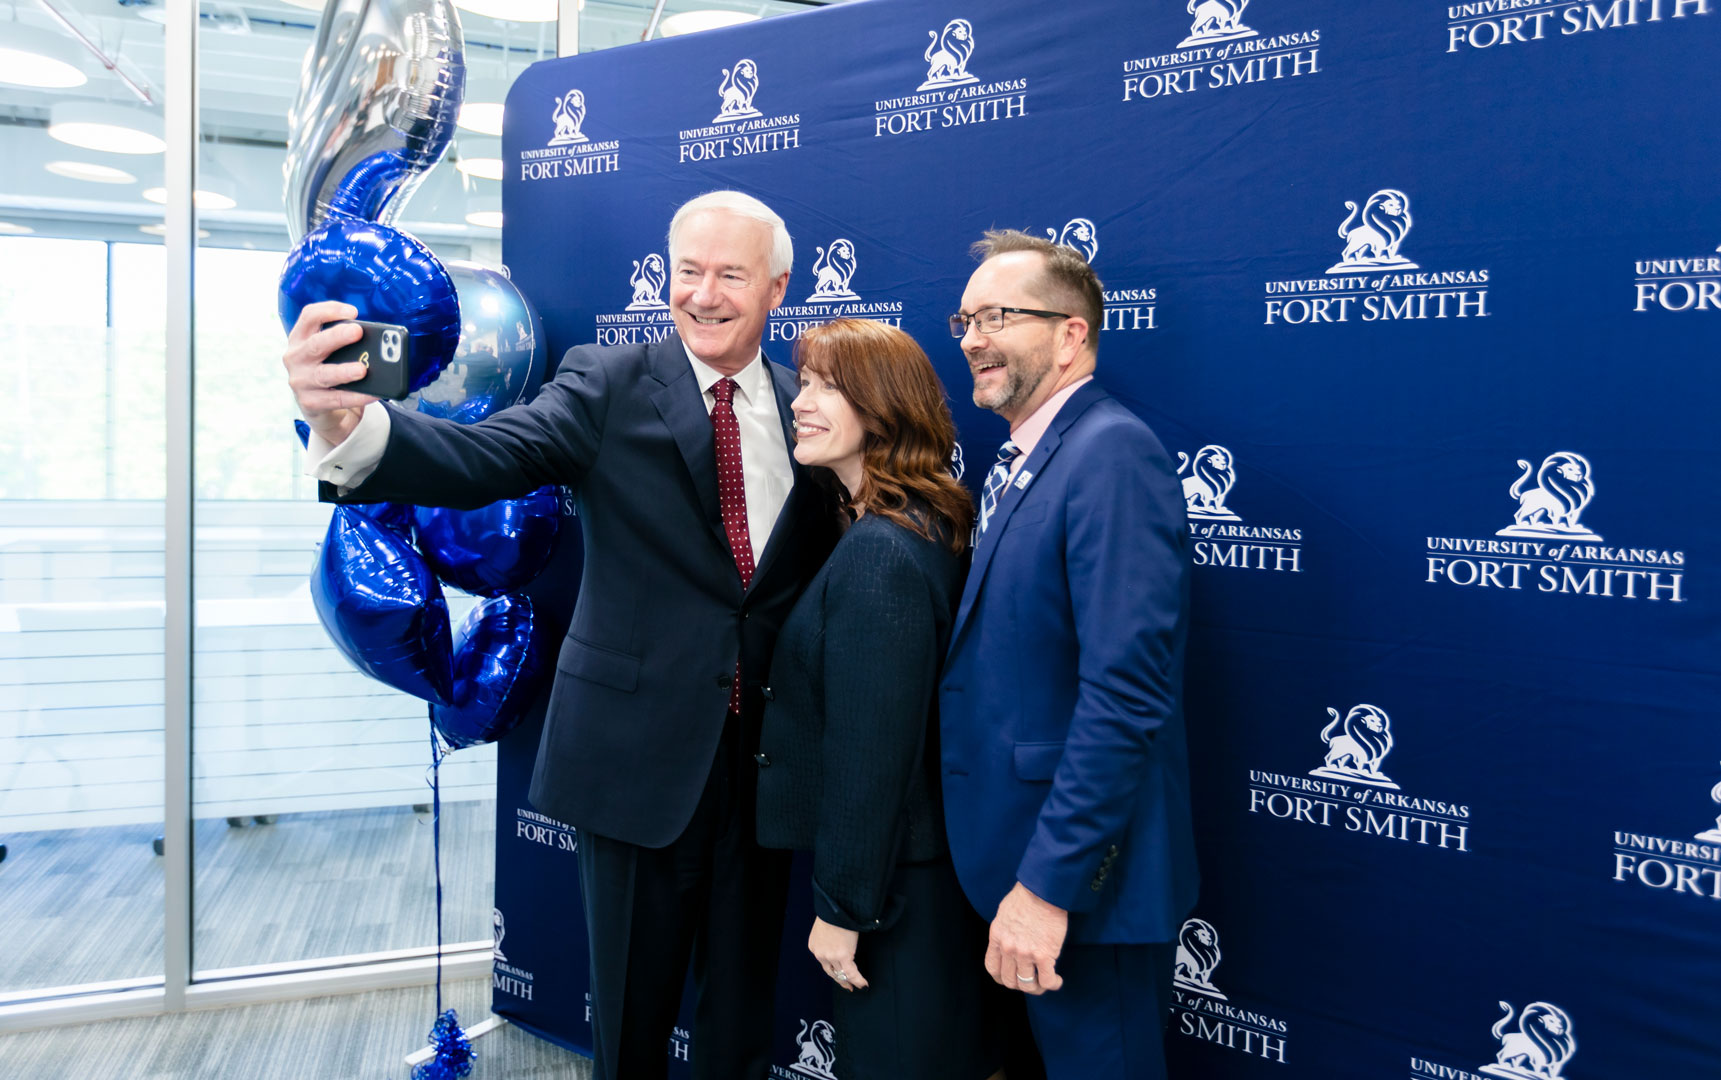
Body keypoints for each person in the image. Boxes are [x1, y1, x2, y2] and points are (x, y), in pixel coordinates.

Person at [281, 191, 835, 1080]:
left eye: (729, 274)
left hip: (760, 771)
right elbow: (485, 456)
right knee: (631, 1025)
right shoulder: (607, 381)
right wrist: (347, 424)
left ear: (776, 286)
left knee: (741, 1022)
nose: (702, 293)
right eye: (687, 270)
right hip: (632, 766)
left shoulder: (804, 404)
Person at [938, 230, 1198, 1080]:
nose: (972, 338)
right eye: (966, 319)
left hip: (1085, 891)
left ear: (1069, 335)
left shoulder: (1110, 454)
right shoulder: (1020, 460)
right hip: (1012, 870)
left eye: (998, 316)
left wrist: (1046, 888)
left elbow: (1125, 696)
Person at [754, 318, 1002, 1080]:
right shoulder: (911, 524)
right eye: (806, 380)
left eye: (830, 385)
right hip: (919, 883)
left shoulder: (878, 554)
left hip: (896, 896)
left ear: (884, 409)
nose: (802, 399)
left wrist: (842, 911)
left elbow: (871, 755)